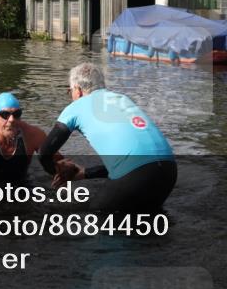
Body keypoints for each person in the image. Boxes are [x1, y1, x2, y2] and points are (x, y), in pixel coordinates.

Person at [37, 63, 176, 213]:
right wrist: (85, 173)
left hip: (137, 174)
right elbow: (130, 161)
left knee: (98, 217)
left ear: (77, 90)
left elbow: (44, 153)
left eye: (69, 91)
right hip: (169, 169)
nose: (71, 96)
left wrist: (58, 173)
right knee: (148, 219)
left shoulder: (75, 108)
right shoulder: (122, 99)